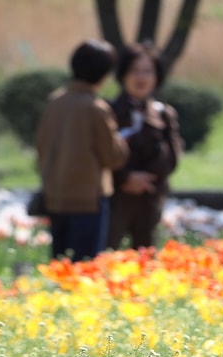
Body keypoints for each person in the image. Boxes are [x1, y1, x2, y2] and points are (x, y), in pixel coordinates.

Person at [35, 40, 130, 262]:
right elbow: (114, 157)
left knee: (60, 266)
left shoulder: (55, 102)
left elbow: (41, 145)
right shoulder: (96, 108)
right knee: (85, 267)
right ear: (105, 74)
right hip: (89, 199)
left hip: (55, 195)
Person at [108, 43, 182, 251]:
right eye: (135, 70)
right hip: (116, 196)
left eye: (148, 71)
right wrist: (125, 178)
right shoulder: (108, 111)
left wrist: (146, 179)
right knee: (106, 253)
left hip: (149, 197)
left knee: (146, 257)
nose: (141, 77)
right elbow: (100, 154)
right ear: (123, 74)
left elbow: (172, 156)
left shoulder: (164, 114)